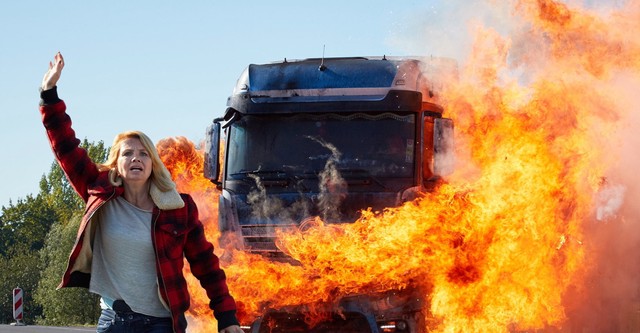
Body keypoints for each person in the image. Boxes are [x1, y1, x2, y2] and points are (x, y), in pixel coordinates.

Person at [39, 52, 244, 333]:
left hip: (161, 324)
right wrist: (49, 94)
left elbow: (206, 264)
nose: (136, 158)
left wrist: (227, 317)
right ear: (116, 163)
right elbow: (65, 148)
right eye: (128, 153)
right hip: (113, 322)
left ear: (153, 164)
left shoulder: (178, 208)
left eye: (144, 153)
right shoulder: (100, 194)